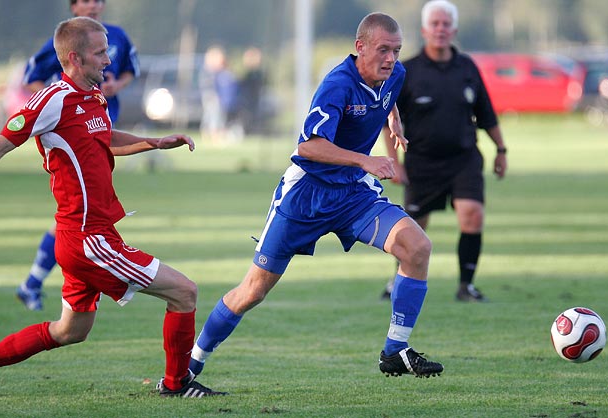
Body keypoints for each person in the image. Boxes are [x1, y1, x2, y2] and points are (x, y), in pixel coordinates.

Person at [0, 17, 223, 398]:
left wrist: (153, 142)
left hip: (86, 237)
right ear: (75, 57)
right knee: (184, 292)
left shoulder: (94, 96)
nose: (109, 59)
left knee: (69, 331)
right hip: (88, 239)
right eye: (100, 52)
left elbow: (104, 137)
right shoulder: (52, 100)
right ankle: (176, 384)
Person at [188, 12, 444, 383]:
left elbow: (388, 98)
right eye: (383, 49)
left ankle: (394, 351)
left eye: (397, 50)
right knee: (253, 291)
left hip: (353, 194)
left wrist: (393, 121)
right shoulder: (337, 84)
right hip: (305, 197)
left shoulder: (395, 74)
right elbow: (308, 146)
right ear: (360, 48)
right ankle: (190, 366)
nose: (391, 58)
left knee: (417, 247)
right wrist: (365, 159)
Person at [379, 0, 508, 302]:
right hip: (421, 163)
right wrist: (394, 163)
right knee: (412, 230)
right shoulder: (406, 71)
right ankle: (396, 280)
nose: (440, 29)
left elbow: (487, 116)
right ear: (424, 30)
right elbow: (388, 121)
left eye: (445, 24)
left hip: (464, 160)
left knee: (472, 215)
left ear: (454, 30)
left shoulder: (467, 68)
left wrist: (501, 149)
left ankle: (466, 286)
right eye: (434, 24)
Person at [17, 0, 140, 311]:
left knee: (80, 216)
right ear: (74, 6)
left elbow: (129, 71)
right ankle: (36, 281)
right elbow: (33, 77)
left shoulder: (117, 36)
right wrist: (55, 108)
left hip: (103, 132)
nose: (94, 5)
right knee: (79, 215)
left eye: (98, 0)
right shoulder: (66, 40)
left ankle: (43, 284)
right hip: (76, 138)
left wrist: (115, 87)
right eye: (86, 0)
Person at [199, 45, 239, 145]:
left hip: (217, 98)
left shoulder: (218, 72)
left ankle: (212, 136)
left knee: (214, 116)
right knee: (213, 117)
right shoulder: (209, 72)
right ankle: (213, 137)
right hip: (212, 98)